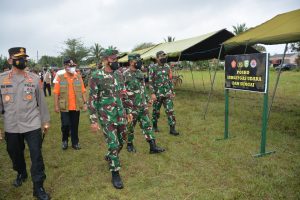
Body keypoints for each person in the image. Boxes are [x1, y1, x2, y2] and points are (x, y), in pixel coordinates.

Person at [0, 47, 50, 200]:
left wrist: (45, 121)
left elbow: (41, 102)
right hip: (11, 125)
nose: (22, 60)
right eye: (19, 57)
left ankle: (38, 186)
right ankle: (21, 172)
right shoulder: (1, 79)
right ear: (10, 60)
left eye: (24, 57)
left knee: (36, 155)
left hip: (32, 123)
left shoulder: (34, 78)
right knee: (14, 153)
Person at [88, 48, 133, 189]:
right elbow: (92, 100)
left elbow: (124, 93)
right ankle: (115, 173)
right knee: (113, 144)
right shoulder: (97, 76)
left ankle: (110, 156)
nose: (116, 62)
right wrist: (93, 120)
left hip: (121, 114)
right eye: (114, 59)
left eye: (117, 59)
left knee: (122, 141)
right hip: (106, 117)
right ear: (106, 60)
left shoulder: (119, 74)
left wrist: (129, 111)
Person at [123, 53, 165, 153]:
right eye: (136, 60)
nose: (139, 62)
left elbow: (143, 89)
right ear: (131, 62)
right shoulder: (124, 75)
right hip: (131, 107)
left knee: (147, 125)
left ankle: (153, 146)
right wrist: (126, 107)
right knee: (130, 127)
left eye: (139, 60)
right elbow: (122, 93)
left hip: (142, 105)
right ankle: (129, 144)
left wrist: (147, 99)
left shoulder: (140, 74)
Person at [53, 58, 87, 150]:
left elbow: (83, 91)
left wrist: (85, 103)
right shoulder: (60, 77)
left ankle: (75, 143)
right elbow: (56, 92)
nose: (72, 68)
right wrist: (56, 106)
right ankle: (64, 141)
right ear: (65, 66)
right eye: (70, 66)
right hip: (64, 107)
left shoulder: (78, 77)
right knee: (65, 125)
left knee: (75, 125)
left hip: (76, 106)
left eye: (73, 66)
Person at [149, 51, 180, 136]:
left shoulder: (167, 67)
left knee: (170, 111)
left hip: (167, 93)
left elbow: (170, 80)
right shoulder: (153, 67)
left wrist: (172, 91)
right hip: (157, 94)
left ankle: (172, 129)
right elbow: (150, 81)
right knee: (156, 112)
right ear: (157, 58)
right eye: (161, 57)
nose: (163, 58)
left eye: (164, 56)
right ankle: (155, 126)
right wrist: (152, 93)